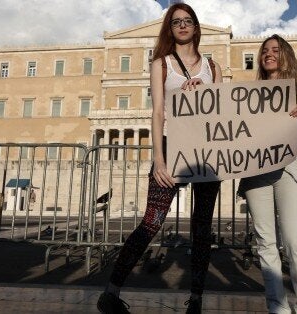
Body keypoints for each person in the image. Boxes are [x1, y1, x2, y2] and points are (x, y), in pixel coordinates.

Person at [97, 3, 222, 314]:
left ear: (196, 27)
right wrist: (160, 161)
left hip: (205, 149)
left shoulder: (213, 67)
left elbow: (221, 111)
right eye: (175, 21)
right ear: (170, 28)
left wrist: (205, 90)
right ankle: (111, 292)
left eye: (187, 21)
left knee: (202, 227)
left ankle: (196, 299)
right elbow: (157, 112)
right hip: (171, 146)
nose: (182, 25)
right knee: (151, 222)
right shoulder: (161, 64)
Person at [238, 34, 297, 314]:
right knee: (265, 243)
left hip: (291, 167)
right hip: (256, 169)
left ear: (286, 55)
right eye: (264, 51)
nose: (268, 54)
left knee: (295, 241)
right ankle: (278, 306)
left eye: (275, 50)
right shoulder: (249, 94)